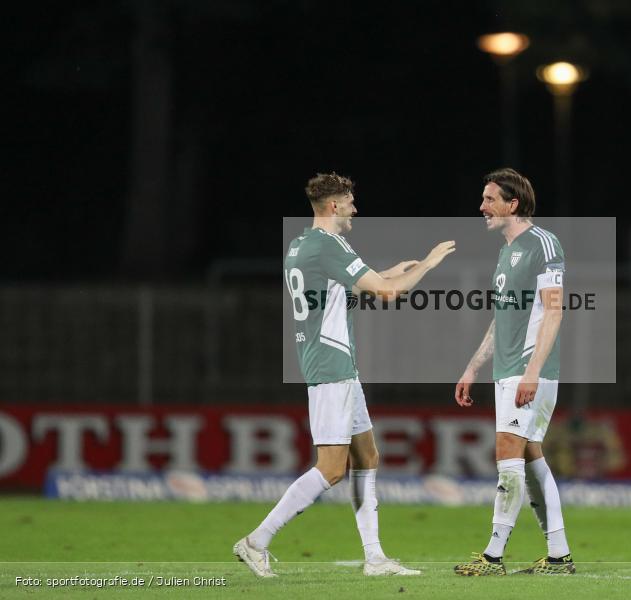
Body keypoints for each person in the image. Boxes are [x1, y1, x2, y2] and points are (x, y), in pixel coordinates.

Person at [234, 172, 455, 577]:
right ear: (333, 205)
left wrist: (387, 271)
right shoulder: (329, 244)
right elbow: (387, 294)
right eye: (351, 200)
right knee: (332, 468)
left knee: (367, 455)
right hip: (331, 365)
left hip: (334, 365)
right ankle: (256, 540)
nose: (355, 207)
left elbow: (343, 289)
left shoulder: (302, 244)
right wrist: (428, 263)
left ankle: (374, 558)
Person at [453, 168, 574, 576]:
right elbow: (500, 318)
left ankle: (492, 557)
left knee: (507, 457)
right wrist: (472, 367)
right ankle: (559, 556)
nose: (482, 207)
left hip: (528, 370)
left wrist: (532, 372)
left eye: (489, 199)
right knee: (532, 457)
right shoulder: (507, 252)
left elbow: (554, 309)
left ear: (512, 203)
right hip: (507, 370)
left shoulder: (543, 242)